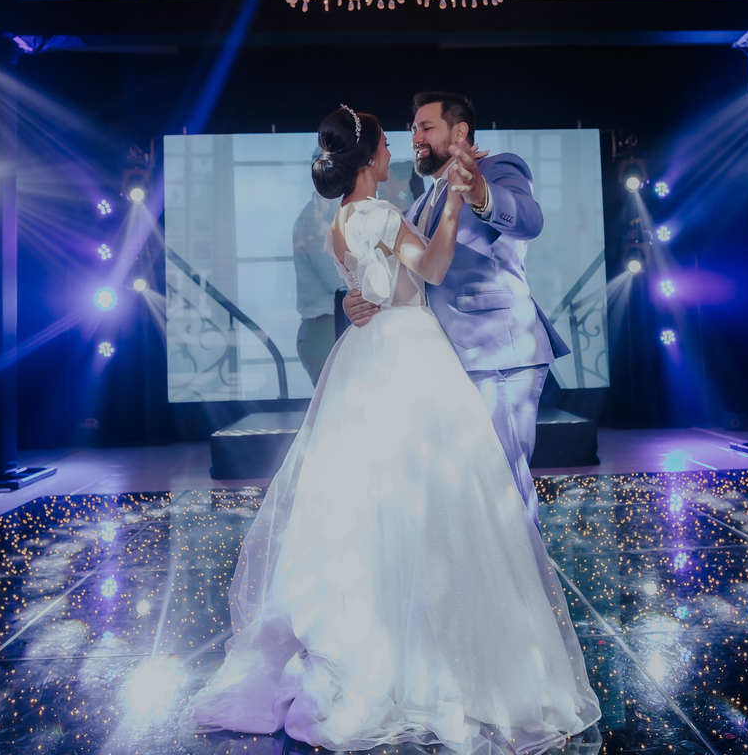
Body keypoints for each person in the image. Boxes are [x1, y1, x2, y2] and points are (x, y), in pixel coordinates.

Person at [181, 105, 600, 755]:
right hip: (409, 350)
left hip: (370, 354)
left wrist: (367, 291)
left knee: (377, 502)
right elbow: (429, 271)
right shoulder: (380, 211)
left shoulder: (341, 221)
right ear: (371, 155)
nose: (403, 145)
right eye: (390, 141)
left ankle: (392, 635)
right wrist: (454, 204)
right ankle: (446, 645)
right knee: (444, 500)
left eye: (420, 129)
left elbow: (382, 280)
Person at [343, 92, 569, 532]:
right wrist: (356, 298)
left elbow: (530, 220)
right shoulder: (421, 204)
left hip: (497, 354)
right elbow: (409, 274)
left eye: (426, 127)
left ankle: (526, 577)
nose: (416, 137)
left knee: (504, 482)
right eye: (413, 129)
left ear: (460, 131)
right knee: (468, 489)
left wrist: (481, 193)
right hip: (447, 365)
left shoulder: (497, 169)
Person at [291, 173, 344, 385]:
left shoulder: (318, 218)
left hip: (323, 328)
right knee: (335, 400)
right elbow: (336, 282)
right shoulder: (314, 222)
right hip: (324, 328)